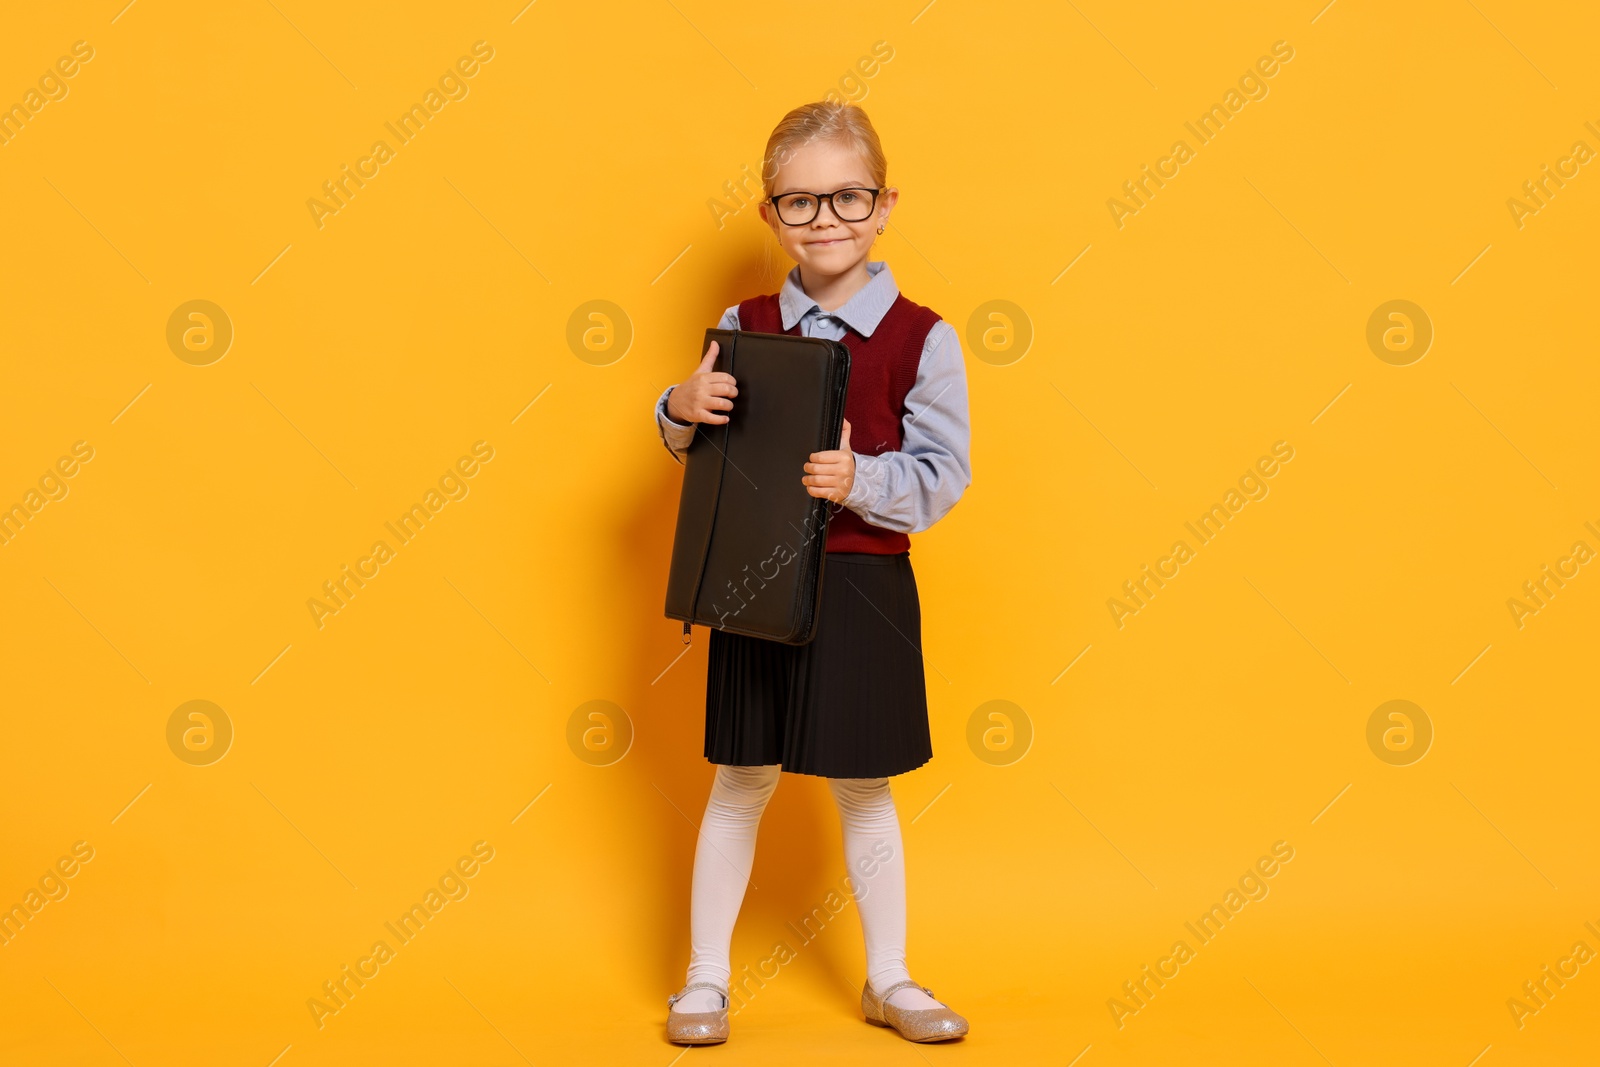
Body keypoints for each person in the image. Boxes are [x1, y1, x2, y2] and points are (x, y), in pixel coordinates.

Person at [652, 100, 972, 1045]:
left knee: (865, 787)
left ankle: (889, 978)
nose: (825, 218)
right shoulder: (741, 323)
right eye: (800, 202)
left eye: (846, 197)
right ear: (770, 215)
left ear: (883, 206)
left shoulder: (924, 337)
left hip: (864, 588)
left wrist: (858, 478)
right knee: (739, 778)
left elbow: (942, 475)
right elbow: (700, 451)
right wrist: (678, 406)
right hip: (753, 583)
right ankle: (704, 981)